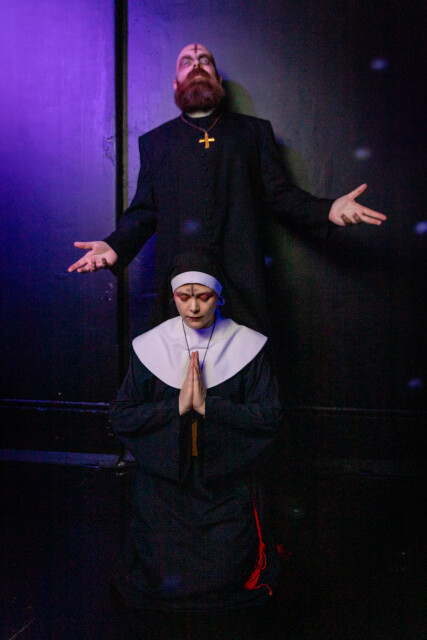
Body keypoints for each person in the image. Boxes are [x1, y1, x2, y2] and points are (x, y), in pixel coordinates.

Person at [68, 43, 386, 332]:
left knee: (247, 362)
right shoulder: (156, 143)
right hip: (182, 280)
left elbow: (280, 194)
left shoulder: (253, 133)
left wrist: (327, 210)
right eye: (187, 62)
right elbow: (144, 211)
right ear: (176, 84)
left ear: (218, 80)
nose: (196, 65)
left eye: (204, 61)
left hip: (242, 277)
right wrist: (114, 246)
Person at [109, 249, 283, 615]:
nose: (192, 308)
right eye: (182, 297)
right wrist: (175, 408)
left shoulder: (248, 346)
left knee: (224, 573)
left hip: (225, 485)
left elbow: (269, 417)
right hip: (164, 489)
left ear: (219, 296)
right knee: (161, 571)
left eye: (203, 297)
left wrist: (209, 407)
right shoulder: (150, 346)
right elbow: (122, 416)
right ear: (172, 296)